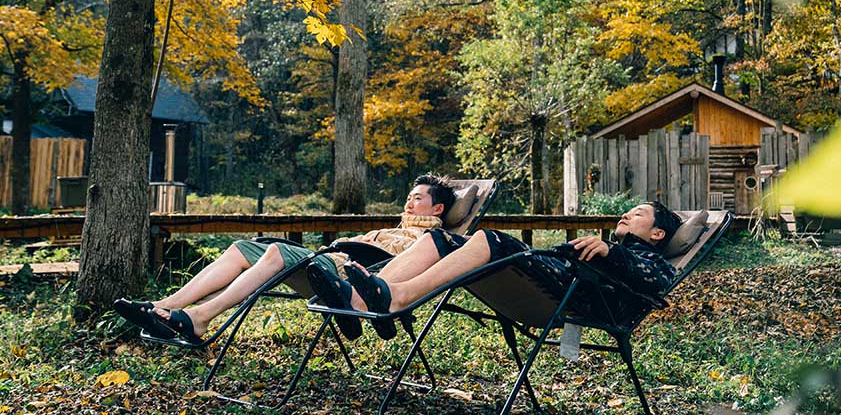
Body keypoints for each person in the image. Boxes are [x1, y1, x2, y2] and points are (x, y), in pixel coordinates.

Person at [114, 174, 456, 342]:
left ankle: (199, 318)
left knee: (277, 251)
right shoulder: (391, 228)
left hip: (342, 278)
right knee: (241, 249)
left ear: (438, 208)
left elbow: (394, 275)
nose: (408, 204)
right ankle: (164, 305)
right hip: (326, 262)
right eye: (408, 198)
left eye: (417, 199)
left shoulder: (429, 239)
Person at [307, 201, 682, 338]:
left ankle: (397, 297)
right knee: (438, 241)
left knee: (489, 239)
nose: (627, 214)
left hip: (576, 298)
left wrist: (610, 254)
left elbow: (658, 283)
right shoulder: (612, 249)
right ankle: (358, 299)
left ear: (658, 233)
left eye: (638, 214)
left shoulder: (653, 261)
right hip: (555, 277)